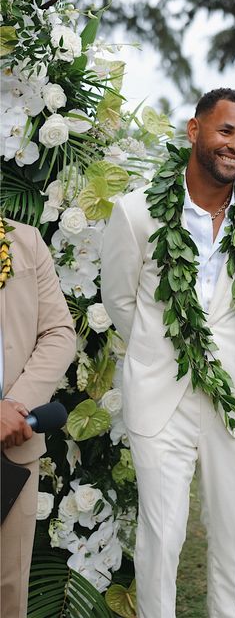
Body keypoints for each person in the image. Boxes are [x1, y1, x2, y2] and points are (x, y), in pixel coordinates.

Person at [101, 88, 235, 618]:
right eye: (226, 130)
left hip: (234, 398)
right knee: (163, 535)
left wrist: (218, 361)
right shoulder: (136, 213)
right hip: (160, 398)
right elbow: (119, 299)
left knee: (231, 531)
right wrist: (166, 350)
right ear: (194, 130)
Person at [0, 218, 76, 618]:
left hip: (14, 451)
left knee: (9, 591)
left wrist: (15, 405)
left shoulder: (24, 241)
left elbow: (59, 332)